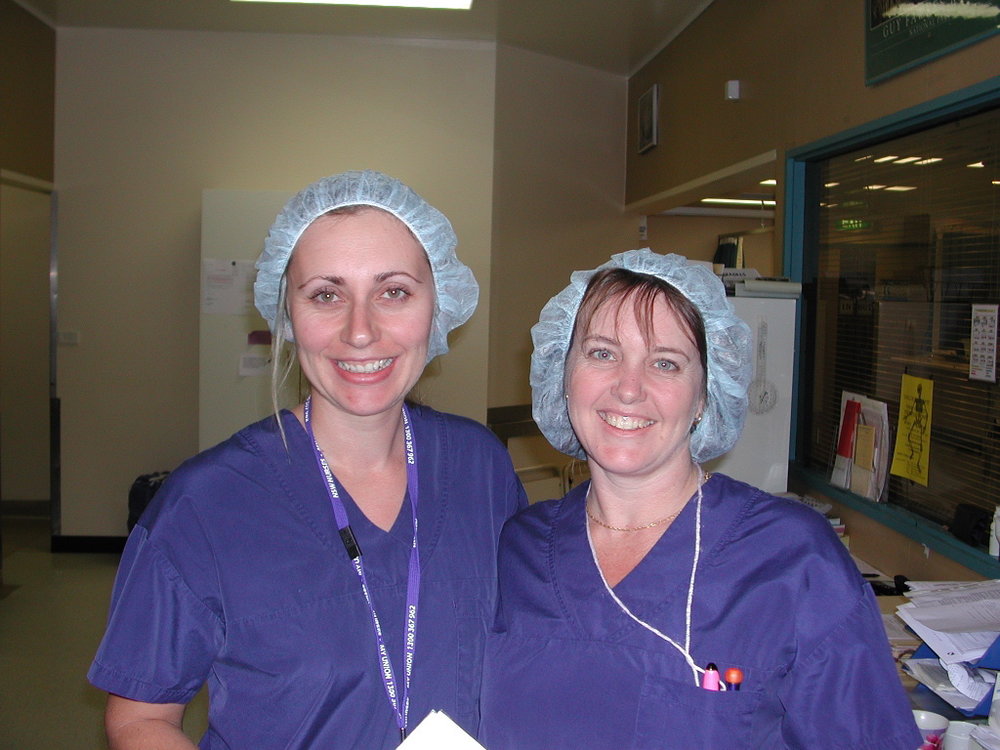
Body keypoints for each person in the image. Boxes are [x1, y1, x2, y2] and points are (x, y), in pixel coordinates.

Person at [88, 170, 527, 749]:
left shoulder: (480, 466)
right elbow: (141, 719)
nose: (361, 331)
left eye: (393, 291)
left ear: (436, 305)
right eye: (326, 293)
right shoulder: (206, 503)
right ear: (287, 316)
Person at [479, 249, 921, 748]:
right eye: (602, 353)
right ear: (563, 374)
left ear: (705, 396)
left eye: (665, 363)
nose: (628, 389)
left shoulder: (792, 560)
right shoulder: (516, 550)